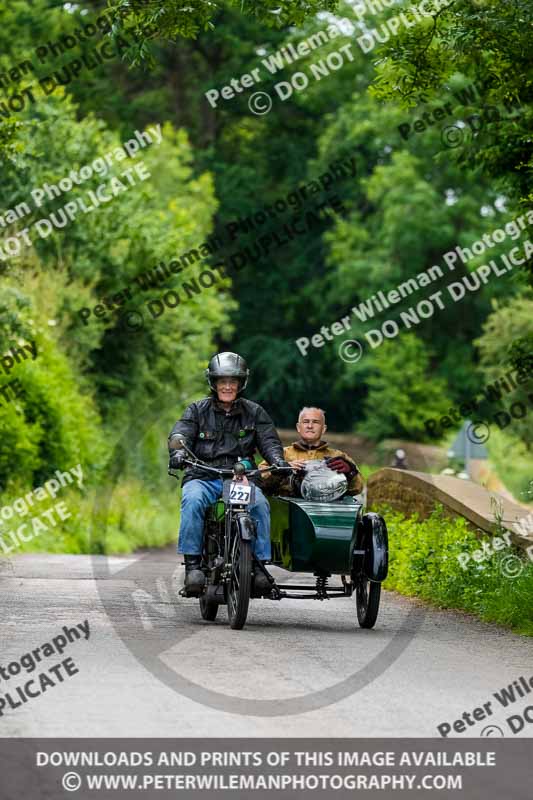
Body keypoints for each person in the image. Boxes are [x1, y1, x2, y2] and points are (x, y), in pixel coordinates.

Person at [168, 352, 289, 593]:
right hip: (203, 476)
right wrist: (178, 454)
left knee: (260, 506)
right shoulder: (196, 411)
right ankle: (193, 567)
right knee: (191, 500)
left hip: (239, 479)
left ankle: (258, 566)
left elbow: (269, 442)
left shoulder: (255, 412)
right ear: (213, 382)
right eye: (222, 381)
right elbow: (180, 434)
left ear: (241, 383)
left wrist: (277, 460)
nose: (227, 386)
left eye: (232, 381)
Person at [259, 406, 363, 496]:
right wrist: (282, 469)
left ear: (323, 429)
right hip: (288, 509)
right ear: (298, 427)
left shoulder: (338, 456)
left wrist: (350, 472)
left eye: (316, 422)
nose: (310, 426)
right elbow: (259, 481)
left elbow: (358, 489)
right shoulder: (280, 454)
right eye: (305, 422)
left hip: (328, 509)